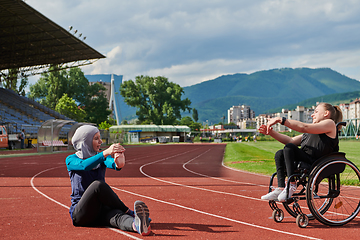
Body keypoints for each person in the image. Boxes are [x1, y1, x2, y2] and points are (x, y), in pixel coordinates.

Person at [65, 125, 151, 236]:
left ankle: (137, 225)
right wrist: (105, 153)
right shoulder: (71, 160)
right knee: (98, 185)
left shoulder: (101, 159)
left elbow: (112, 163)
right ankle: (129, 212)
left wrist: (119, 162)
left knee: (118, 216)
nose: (100, 141)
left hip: (101, 211)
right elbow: (84, 166)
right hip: (82, 214)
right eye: (96, 138)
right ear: (85, 141)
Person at [259, 103, 343, 202]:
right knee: (280, 154)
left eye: (316, 112)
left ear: (326, 113)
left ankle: (292, 184)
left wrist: (281, 120)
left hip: (317, 162)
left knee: (289, 148)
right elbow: (290, 140)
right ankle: (281, 188)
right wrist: (271, 132)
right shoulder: (312, 130)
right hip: (307, 159)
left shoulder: (330, 123)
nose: (312, 115)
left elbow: (304, 127)